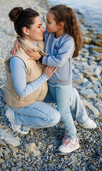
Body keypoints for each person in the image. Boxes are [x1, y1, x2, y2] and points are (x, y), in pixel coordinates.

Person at [13, 4, 97, 154]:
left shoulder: (68, 41)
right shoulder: (50, 34)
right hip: (50, 81)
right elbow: (29, 36)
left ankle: (73, 139)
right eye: (44, 21)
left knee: (63, 110)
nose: (45, 25)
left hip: (62, 83)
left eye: (48, 22)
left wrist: (40, 58)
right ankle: (80, 121)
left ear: (61, 25)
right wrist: (17, 41)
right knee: (66, 101)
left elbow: (58, 61)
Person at [4, 7, 61, 135]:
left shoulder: (38, 43)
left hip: (38, 93)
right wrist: (45, 76)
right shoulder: (17, 59)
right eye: (40, 26)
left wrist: (18, 39)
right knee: (53, 118)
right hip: (21, 101)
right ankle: (16, 118)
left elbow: (62, 36)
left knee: (69, 93)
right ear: (26, 30)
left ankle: (80, 120)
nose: (44, 29)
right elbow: (22, 92)